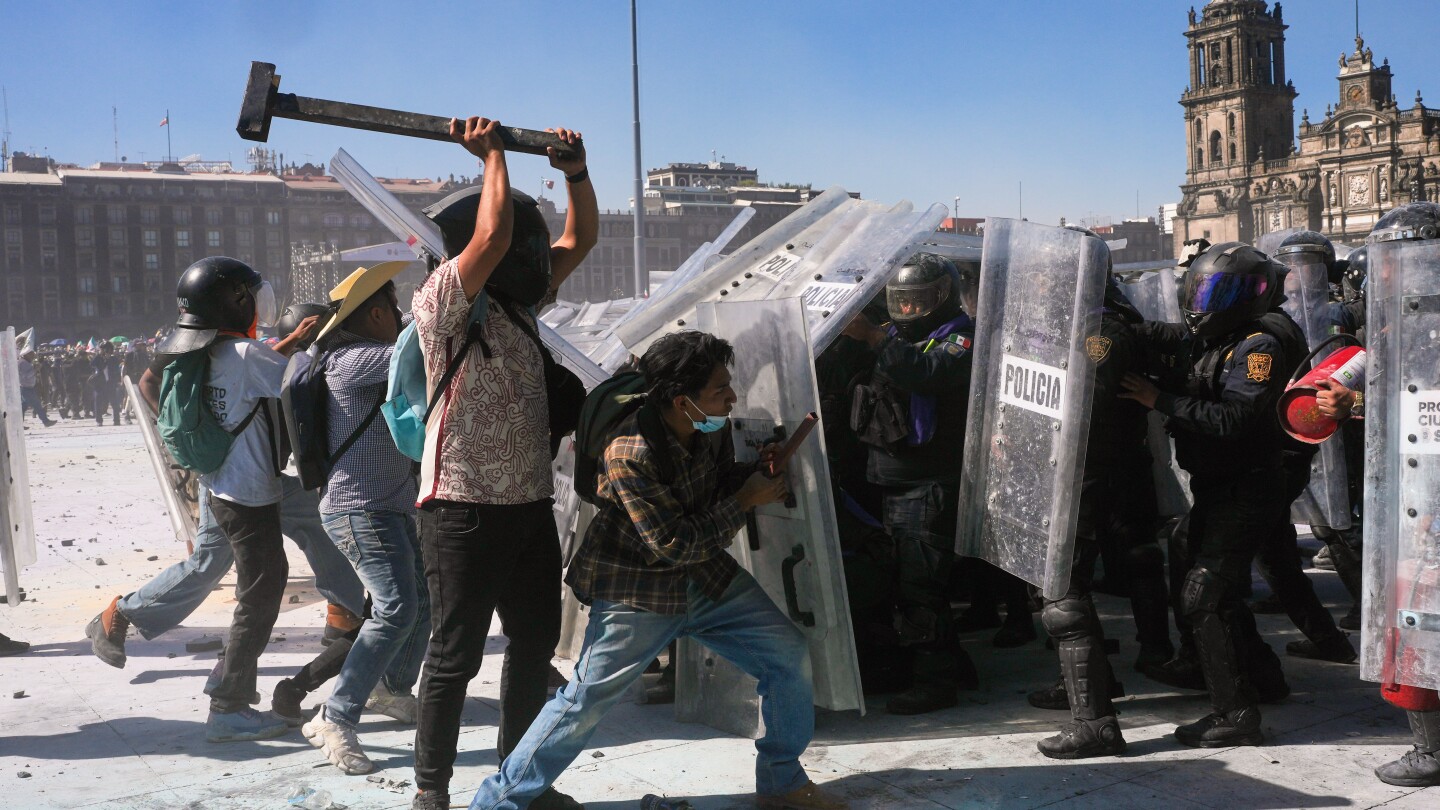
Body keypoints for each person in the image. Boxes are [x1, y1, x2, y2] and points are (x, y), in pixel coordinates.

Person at [466, 330, 847, 810]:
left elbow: (711, 490)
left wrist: (752, 474)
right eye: (719, 390)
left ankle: (781, 782)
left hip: (703, 578)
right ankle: (497, 803)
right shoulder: (631, 452)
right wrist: (746, 500)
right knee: (583, 703)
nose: (732, 397)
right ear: (682, 400)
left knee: (787, 656)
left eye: (729, 385)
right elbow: (672, 542)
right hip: (637, 589)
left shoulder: (708, 427)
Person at [409, 117, 595, 810]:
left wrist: (576, 174)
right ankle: (432, 792)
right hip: (462, 507)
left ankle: (520, 782)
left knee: (534, 645)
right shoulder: (445, 305)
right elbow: (491, 238)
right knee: (453, 657)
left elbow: (581, 240)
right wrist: (492, 158)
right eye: (529, 244)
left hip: (526, 504)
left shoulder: (521, 306)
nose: (539, 256)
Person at [1121, 240, 1302, 747]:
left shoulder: (1259, 347)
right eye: (1203, 288)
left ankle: (1235, 713)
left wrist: (1161, 399)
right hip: (1219, 484)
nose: (1207, 301)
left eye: (1221, 291)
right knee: (1187, 555)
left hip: (1250, 485)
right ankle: (1262, 674)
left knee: (1204, 595)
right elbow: (1169, 333)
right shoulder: (1219, 334)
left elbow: (1236, 418)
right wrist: (1110, 326)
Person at [152, 256, 316, 742]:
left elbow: (259, 369)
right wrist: (317, 347)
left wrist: (286, 343)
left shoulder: (206, 353)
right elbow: (297, 381)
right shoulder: (246, 357)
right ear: (236, 302)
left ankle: (227, 679)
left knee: (258, 588)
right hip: (249, 495)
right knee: (259, 595)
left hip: (220, 487)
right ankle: (229, 706)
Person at [1032, 232, 1169, 759]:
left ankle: (1095, 723)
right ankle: (1092, 689)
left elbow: (1090, 385)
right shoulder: (1082, 323)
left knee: (1064, 592)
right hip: (1083, 471)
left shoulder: (1101, 330)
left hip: (1093, 472)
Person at [299, 263, 428, 775]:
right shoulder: (355, 360)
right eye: (394, 310)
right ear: (376, 314)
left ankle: (391, 689)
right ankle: (336, 714)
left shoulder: (361, 356)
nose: (398, 318)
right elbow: (422, 354)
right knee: (396, 607)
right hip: (361, 509)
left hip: (387, 505)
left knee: (422, 601)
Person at [841, 252, 981, 716]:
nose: (909, 310)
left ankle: (935, 680)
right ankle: (950, 663)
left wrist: (876, 337)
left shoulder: (961, 336)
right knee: (907, 579)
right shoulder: (901, 337)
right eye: (902, 301)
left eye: (919, 301)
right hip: (895, 480)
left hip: (929, 482)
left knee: (920, 585)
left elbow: (927, 374)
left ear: (942, 298)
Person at [1347, 202, 1440, 788]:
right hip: (1411, 496)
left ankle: (1432, 752)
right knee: (1412, 616)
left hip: (1429, 499)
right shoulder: (1388, 328)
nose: (1383, 273)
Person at [17, 347, 55, 427]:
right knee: (37, 404)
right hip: (26, 387)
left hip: (27, 387)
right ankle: (45, 421)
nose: (33, 355)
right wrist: (35, 369)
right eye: (31, 354)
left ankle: (18, 424)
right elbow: (26, 376)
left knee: (23, 407)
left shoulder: (25, 362)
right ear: (26, 354)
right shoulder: (23, 363)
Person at [90, 342, 125, 426]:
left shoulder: (113, 359)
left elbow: (116, 370)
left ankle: (116, 420)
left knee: (114, 403)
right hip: (99, 384)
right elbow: (92, 364)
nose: (104, 350)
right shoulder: (98, 358)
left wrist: (108, 359)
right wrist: (101, 356)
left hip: (110, 383)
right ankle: (99, 420)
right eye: (102, 349)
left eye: (105, 349)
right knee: (98, 402)